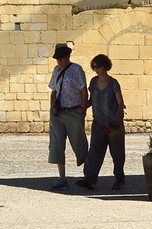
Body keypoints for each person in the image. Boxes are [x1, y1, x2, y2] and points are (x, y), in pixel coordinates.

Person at [79, 53, 127, 190]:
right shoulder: (93, 82)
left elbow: (120, 102)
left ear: (105, 66)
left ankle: (120, 179)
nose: (97, 70)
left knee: (117, 154)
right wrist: (82, 107)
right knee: (94, 152)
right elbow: (91, 100)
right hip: (98, 124)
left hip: (113, 126)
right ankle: (90, 179)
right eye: (95, 67)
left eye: (99, 66)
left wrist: (118, 118)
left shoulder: (113, 83)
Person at [46, 43, 88, 189]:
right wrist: (52, 109)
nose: (60, 61)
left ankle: (89, 176)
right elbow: (53, 90)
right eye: (58, 59)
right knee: (57, 144)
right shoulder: (56, 70)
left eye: (62, 58)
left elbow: (83, 90)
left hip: (73, 112)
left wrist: (83, 109)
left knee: (79, 143)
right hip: (58, 113)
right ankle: (62, 178)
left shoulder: (76, 70)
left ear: (68, 56)